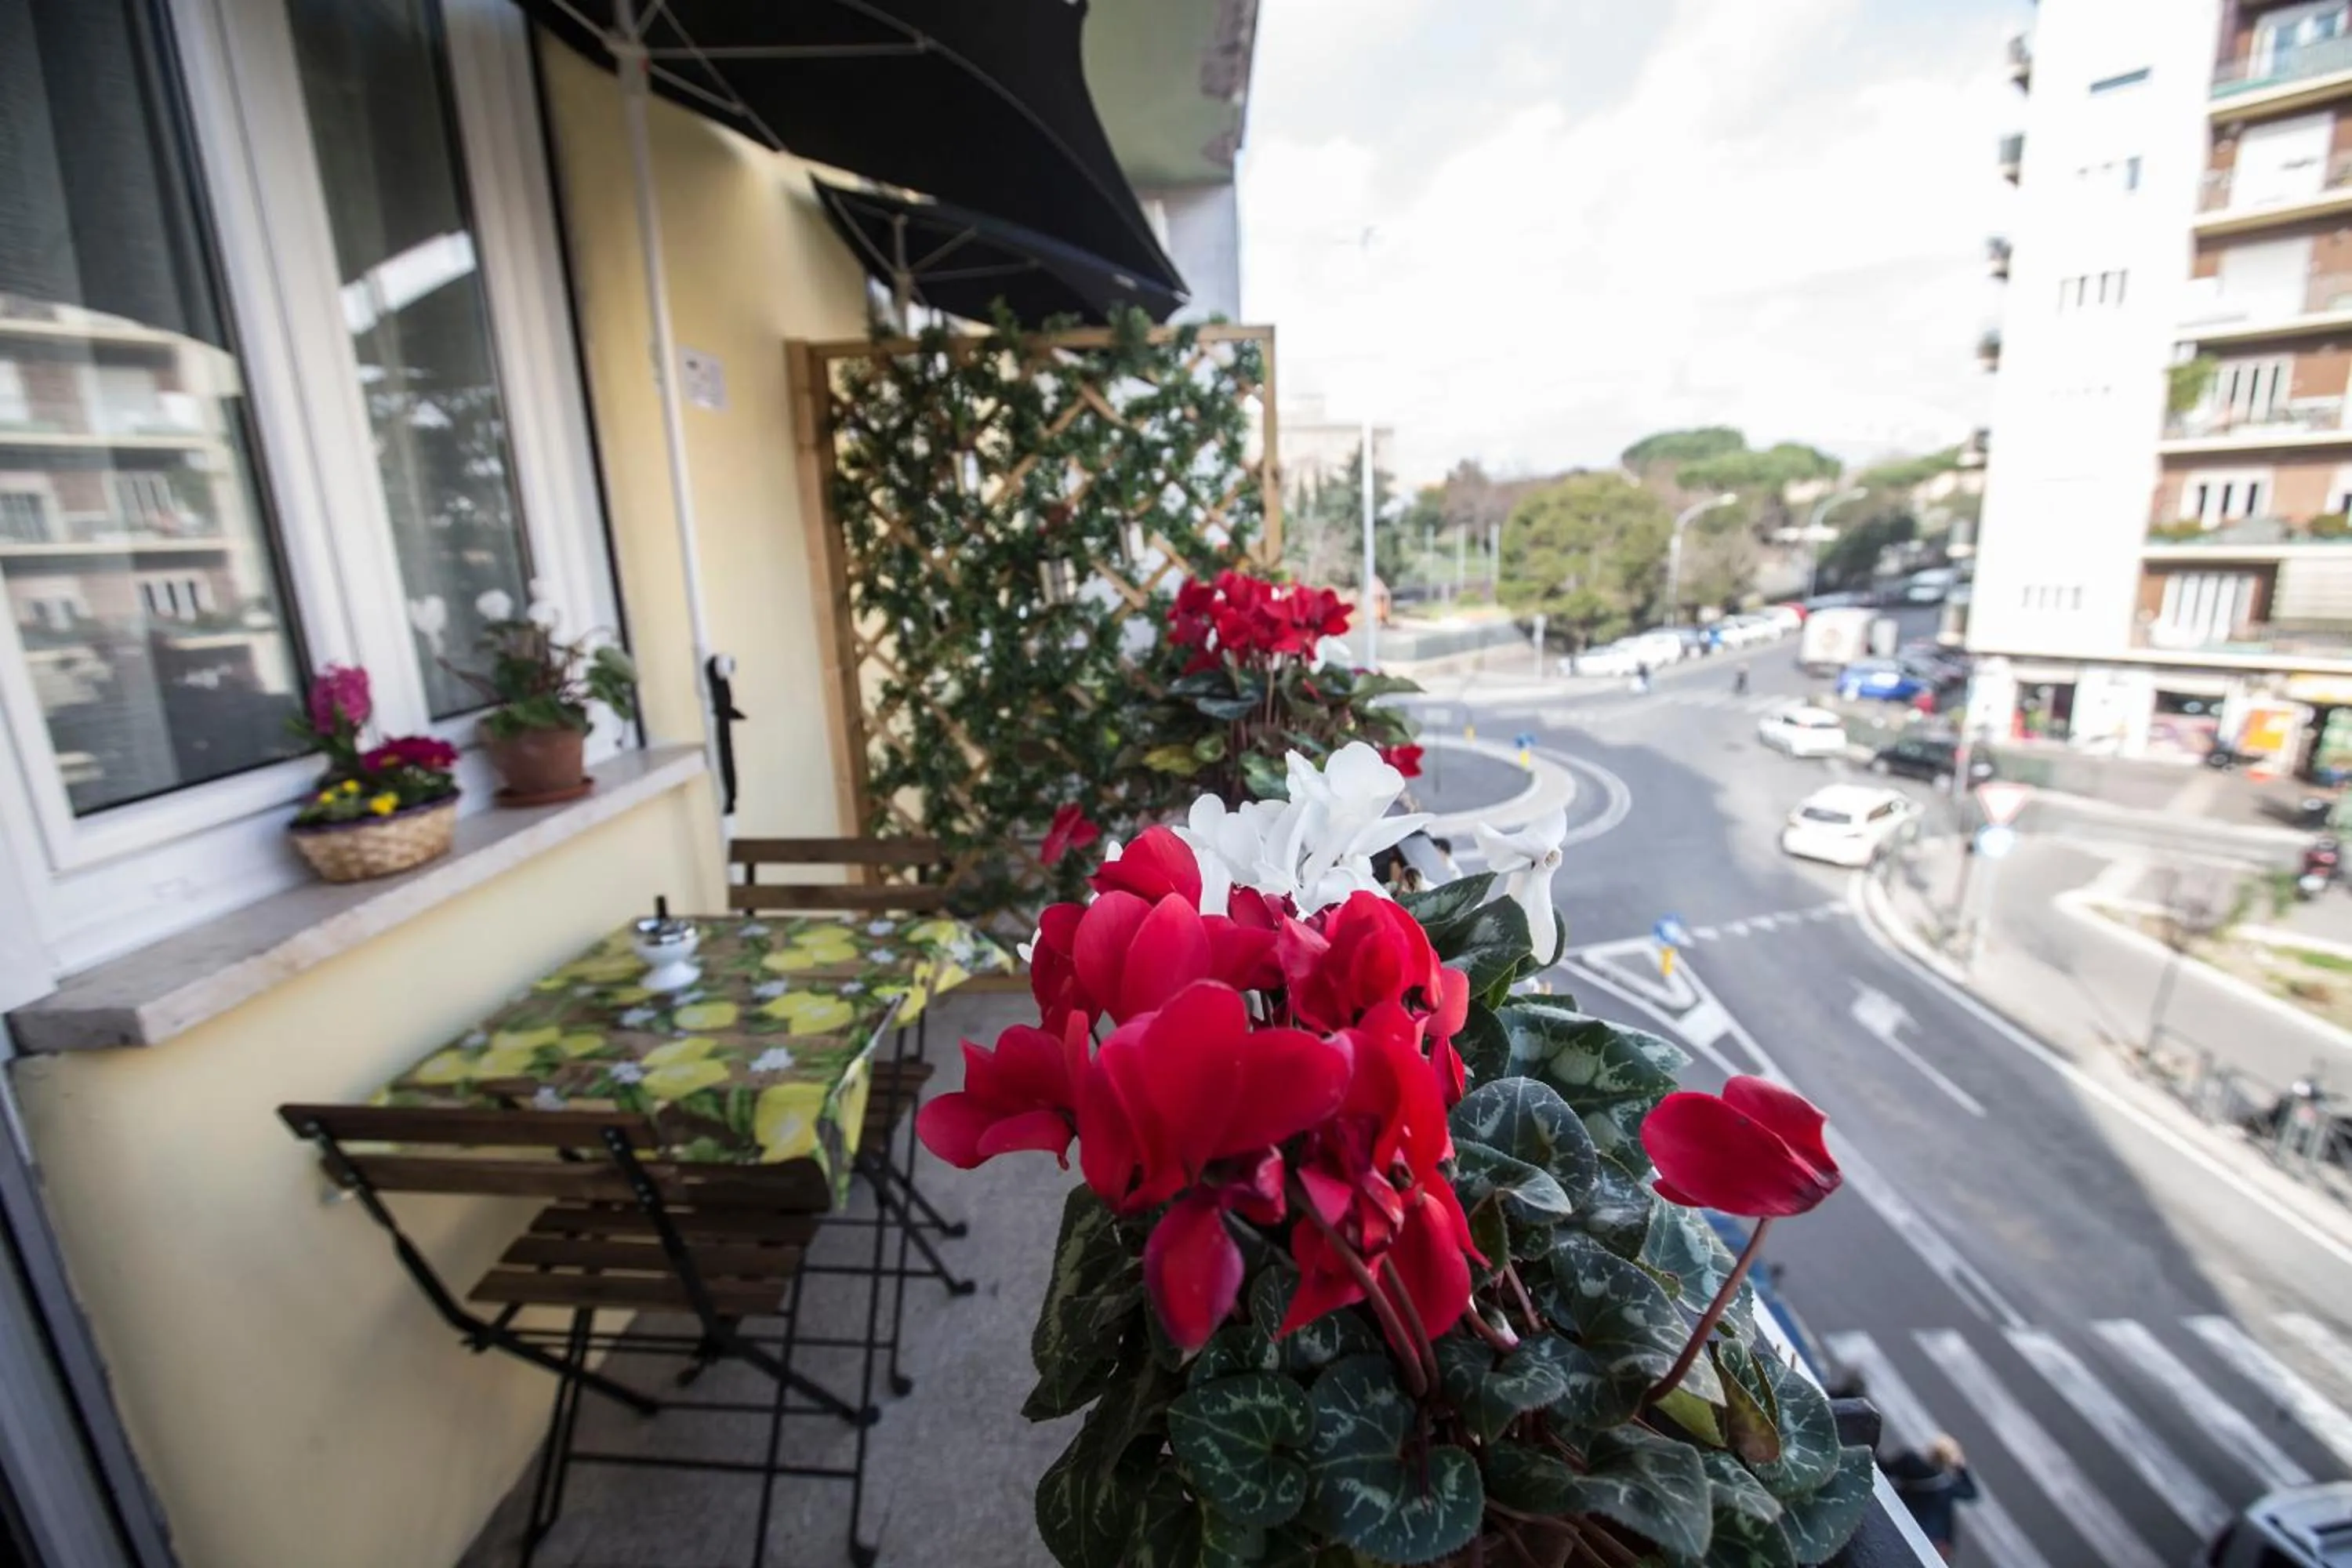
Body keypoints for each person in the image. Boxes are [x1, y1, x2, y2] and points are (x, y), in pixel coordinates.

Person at [1886, 1436, 1978, 1561]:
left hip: (1902, 1526)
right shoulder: (1947, 1485)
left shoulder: (1910, 1462)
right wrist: (1960, 1467)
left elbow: (1885, 1468)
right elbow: (1971, 1493)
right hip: (1934, 1541)